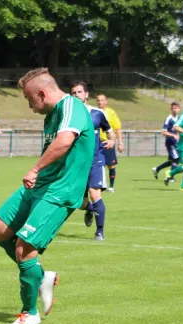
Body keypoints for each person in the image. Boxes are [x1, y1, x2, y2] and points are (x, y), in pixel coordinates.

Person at [0, 68, 94, 324]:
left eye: (29, 99)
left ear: (42, 93)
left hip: (60, 191)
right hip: (41, 186)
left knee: (24, 249)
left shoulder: (71, 106)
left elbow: (65, 141)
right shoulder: (51, 115)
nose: (29, 106)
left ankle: (30, 313)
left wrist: (35, 168)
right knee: (0, 229)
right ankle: (41, 276)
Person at [70, 81, 114, 241]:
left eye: (79, 92)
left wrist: (113, 141)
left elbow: (110, 132)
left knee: (95, 194)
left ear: (86, 94)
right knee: (77, 202)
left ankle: (99, 232)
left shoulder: (96, 114)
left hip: (96, 160)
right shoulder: (68, 115)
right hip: (77, 163)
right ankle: (89, 209)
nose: (77, 95)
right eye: (74, 93)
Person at [96, 94, 123, 192]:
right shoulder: (94, 113)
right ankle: (100, 185)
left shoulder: (111, 113)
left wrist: (120, 143)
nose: (100, 102)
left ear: (106, 101)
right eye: (98, 100)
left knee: (111, 165)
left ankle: (111, 186)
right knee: (98, 165)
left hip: (108, 143)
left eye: (102, 100)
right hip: (97, 143)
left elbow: (117, 128)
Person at [152, 102, 181, 181]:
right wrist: (173, 135)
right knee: (176, 159)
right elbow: (163, 132)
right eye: (173, 108)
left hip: (176, 142)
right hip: (170, 142)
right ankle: (171, 177)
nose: (175, 110)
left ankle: (157, 169)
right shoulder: (169, 118)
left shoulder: (180, 118)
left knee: (173, 161)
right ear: (171, 109)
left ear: (179, 109)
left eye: (176, 108)